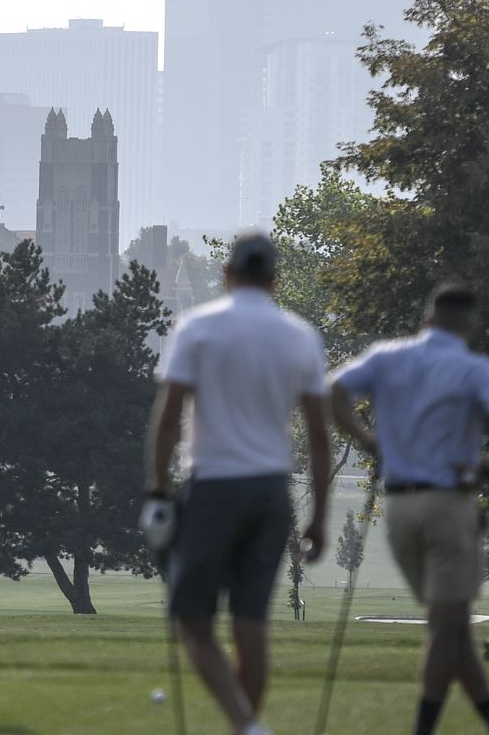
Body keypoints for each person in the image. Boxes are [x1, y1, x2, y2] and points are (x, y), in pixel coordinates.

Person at [143, 233, 332, 735]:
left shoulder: (198, 328)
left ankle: (247, 725)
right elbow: (318, 436)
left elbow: (168, 419)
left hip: (214, 488)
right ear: (274, 280)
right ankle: (245, 726)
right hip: (271, 493)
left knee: (193, 620)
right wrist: (321, 516)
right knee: (251, 623)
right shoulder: (300, 336)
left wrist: (158, 492)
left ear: (226, 275)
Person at [331, 284, 489, 735]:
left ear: (426, 319)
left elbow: (334, 392)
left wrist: (367, 440)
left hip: (398, 508)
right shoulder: (472, 367)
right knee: (447, 627)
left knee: (450, 627)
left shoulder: (388, 356)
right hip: (449, 505)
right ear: (472, 326)